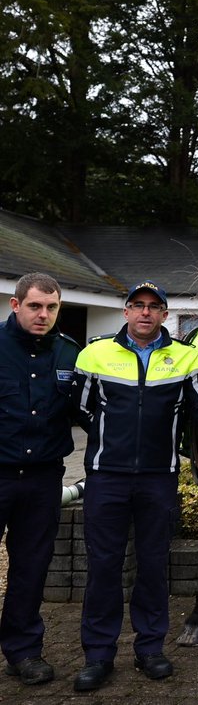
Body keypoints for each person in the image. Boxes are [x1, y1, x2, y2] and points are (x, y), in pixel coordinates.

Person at [72, 281, 198, 692]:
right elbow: (83, 409)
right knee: (103, 568)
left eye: (154, 307)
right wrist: (115, 443)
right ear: (125, 311)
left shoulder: (187, 357)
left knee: (154, 565)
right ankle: (98, 655)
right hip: (107, 477)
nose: (145, 313)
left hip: (159, 478)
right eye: (137, 305)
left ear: (164, 314)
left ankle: (150, 649)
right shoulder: (94, 353)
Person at [0, 274, 80, 686]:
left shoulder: (71, 355)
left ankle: (23, 652)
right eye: (34, 306)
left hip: (43, 478)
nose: (43, 315)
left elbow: (91, 414)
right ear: (16, 306)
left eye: (51, 308)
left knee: (31, 568)